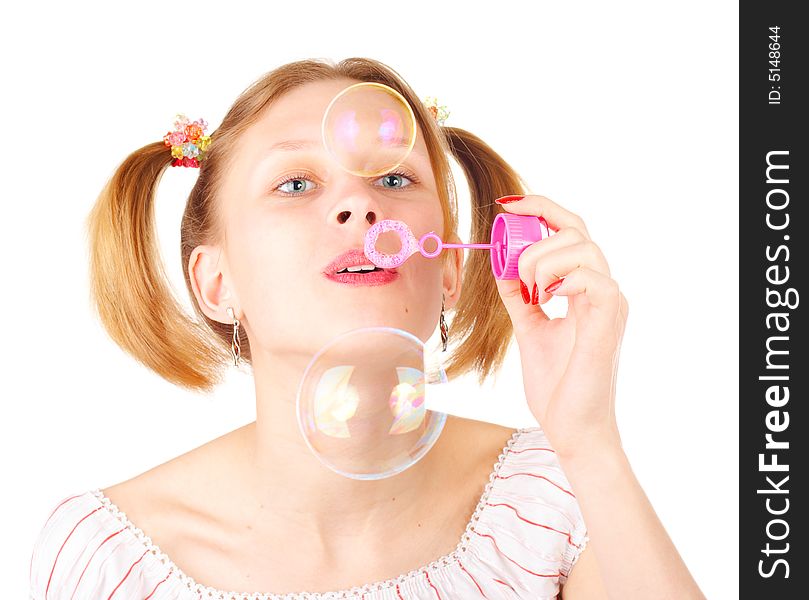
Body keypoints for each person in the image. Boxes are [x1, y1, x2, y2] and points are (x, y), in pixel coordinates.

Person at [28, 57, 705, 599]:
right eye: (295, 184)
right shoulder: (108, 558)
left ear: (448, 273)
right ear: (216, 283)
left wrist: (589, 442)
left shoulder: (554, 497)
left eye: (391, 178)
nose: (358, 204)